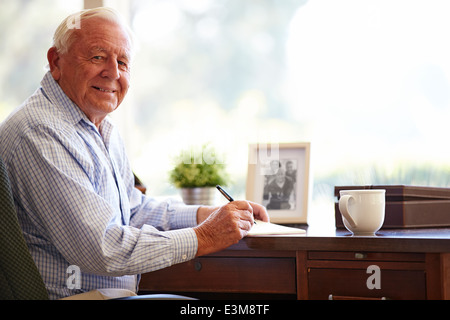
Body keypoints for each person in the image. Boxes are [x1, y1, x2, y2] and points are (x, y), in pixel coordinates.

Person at [0, 7, 269, 300]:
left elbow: (132, 209)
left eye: (123, 62)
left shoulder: (99, 128)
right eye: (97, 57)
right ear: (56, 62)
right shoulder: (40, 131)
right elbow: (104, 249)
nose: (113, 73)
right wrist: (205, 236)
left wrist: (205, 215)